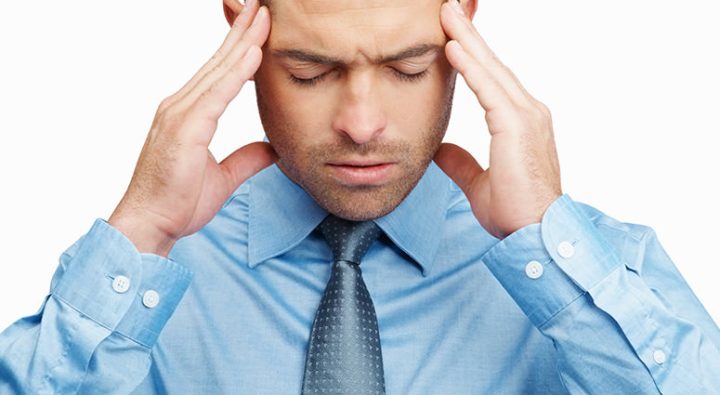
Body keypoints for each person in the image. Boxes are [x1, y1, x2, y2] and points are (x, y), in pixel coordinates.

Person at [1, 0, 719, 393]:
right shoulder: (137, 291)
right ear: (243, 18)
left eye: (408, 67)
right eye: (310, 71)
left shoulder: (594, 278)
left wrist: (551, 242)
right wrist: (142, 231)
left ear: (463, 15)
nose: (362, 124)